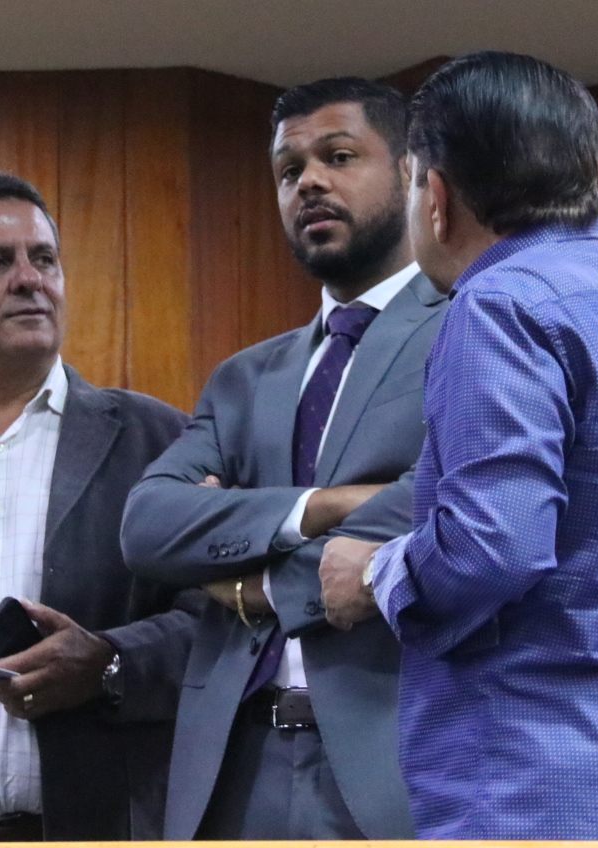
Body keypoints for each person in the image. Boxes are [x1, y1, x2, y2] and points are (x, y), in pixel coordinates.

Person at [318, 51, 598, 841]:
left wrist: (376, 572)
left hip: (536, 795)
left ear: (435, 197)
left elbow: (494, 547)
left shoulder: (499, 304)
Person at [121, 77, 445, 841]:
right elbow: (148, 525)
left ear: (410, 171)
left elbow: (446, 503)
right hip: (234, 765)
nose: (310, 183)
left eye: (339, 156)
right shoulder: (245, 378)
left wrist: (255, 579)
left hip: (392, 764)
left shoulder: (469, 330)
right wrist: (326, 506)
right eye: (289, 170)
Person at [0, 169, 201, 842]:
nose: (29, 279)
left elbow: (223, 625)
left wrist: (110, 661)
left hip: (102, 828)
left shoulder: (160, 441)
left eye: (44, 259)